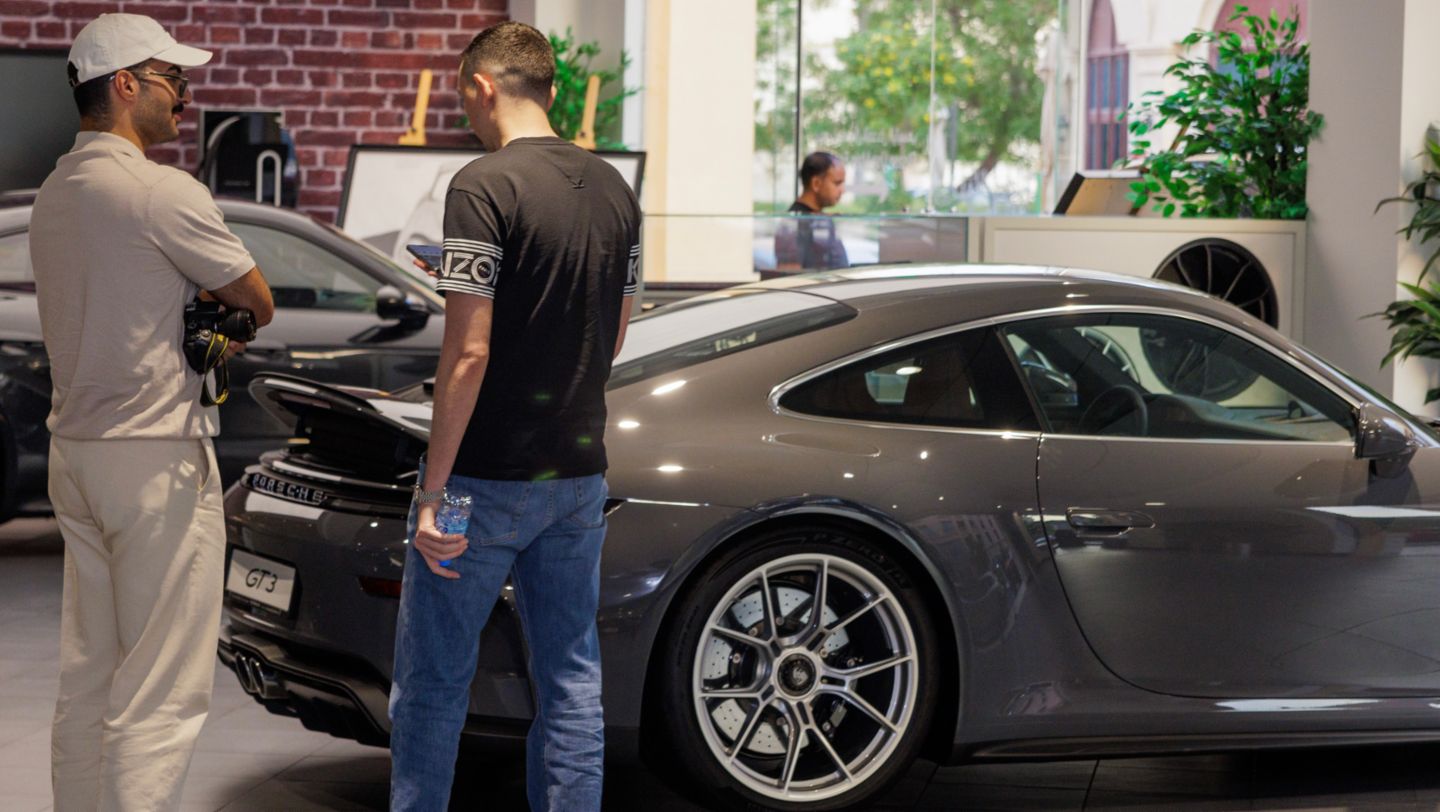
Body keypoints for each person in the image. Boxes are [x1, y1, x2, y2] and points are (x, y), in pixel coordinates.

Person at [388, 21, 640, 812]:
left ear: (483, 86)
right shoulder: (615, 188)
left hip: (479, 482)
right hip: (578, 478)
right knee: (571, 681)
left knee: (433, 683)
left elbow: (468, 354)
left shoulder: (482, 186)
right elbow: (616, 327)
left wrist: (434, 493)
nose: (466, 111)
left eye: (464, 96)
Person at [28, 13, 274, 811]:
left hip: (77, 453)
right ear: (126, 84)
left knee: (91, 672)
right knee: (161, 688)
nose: (185, 95)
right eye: (173, 79)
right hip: (153, 457)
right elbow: (256, 299)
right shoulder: (160, 191)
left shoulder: (55, 192)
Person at [774, 150, 850, 272]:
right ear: (816, 184)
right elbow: (790, 274)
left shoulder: (817, 219)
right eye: (837, 183)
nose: (842, 190)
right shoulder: (795, 223)